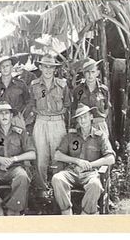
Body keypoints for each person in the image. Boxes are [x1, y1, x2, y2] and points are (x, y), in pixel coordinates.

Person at [51, 103, 115, 215]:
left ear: (91, 117)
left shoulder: (99, 136)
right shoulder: (71, 136)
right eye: (79, 118)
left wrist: (91, 164)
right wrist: (77, 161)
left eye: (85, 116)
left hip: (90, 173)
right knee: (57, 178)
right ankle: (66, 212)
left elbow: (110, 158)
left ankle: (85, 214)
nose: (82, 120)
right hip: (71, 172)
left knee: (95, 185)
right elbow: (57, 155)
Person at [29, 54, 70, 196]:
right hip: (40, 122)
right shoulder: (34, 85)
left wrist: (57, 117)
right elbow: (31, 104)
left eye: (51, 67)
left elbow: (67, 104)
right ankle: (42, 190)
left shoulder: (62, 85)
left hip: (58, 123)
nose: (48, 70)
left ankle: (59, 189)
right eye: (45, 66)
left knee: (58, 156)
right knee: (41, 158)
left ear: (55, 69)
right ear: (40, 67)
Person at [72, 58, 111, 136]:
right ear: (83, 73)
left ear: (97, 73)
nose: (90, 75)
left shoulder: (103, 90)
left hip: (99, 125)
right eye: (87, 72)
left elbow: (107, 108)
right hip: (83, 126)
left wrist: (100, 120)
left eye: (93, 72)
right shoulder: (78, 90)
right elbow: (74, 109)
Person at [0, 55, 30, 129]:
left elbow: (28, 101)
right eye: (2, 66)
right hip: (0, 120)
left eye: (7, 66)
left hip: (16, 119)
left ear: (11, 67)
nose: (5, 68)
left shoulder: (20, 84)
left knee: (18, 140)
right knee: (0, 140)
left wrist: (21, 116)